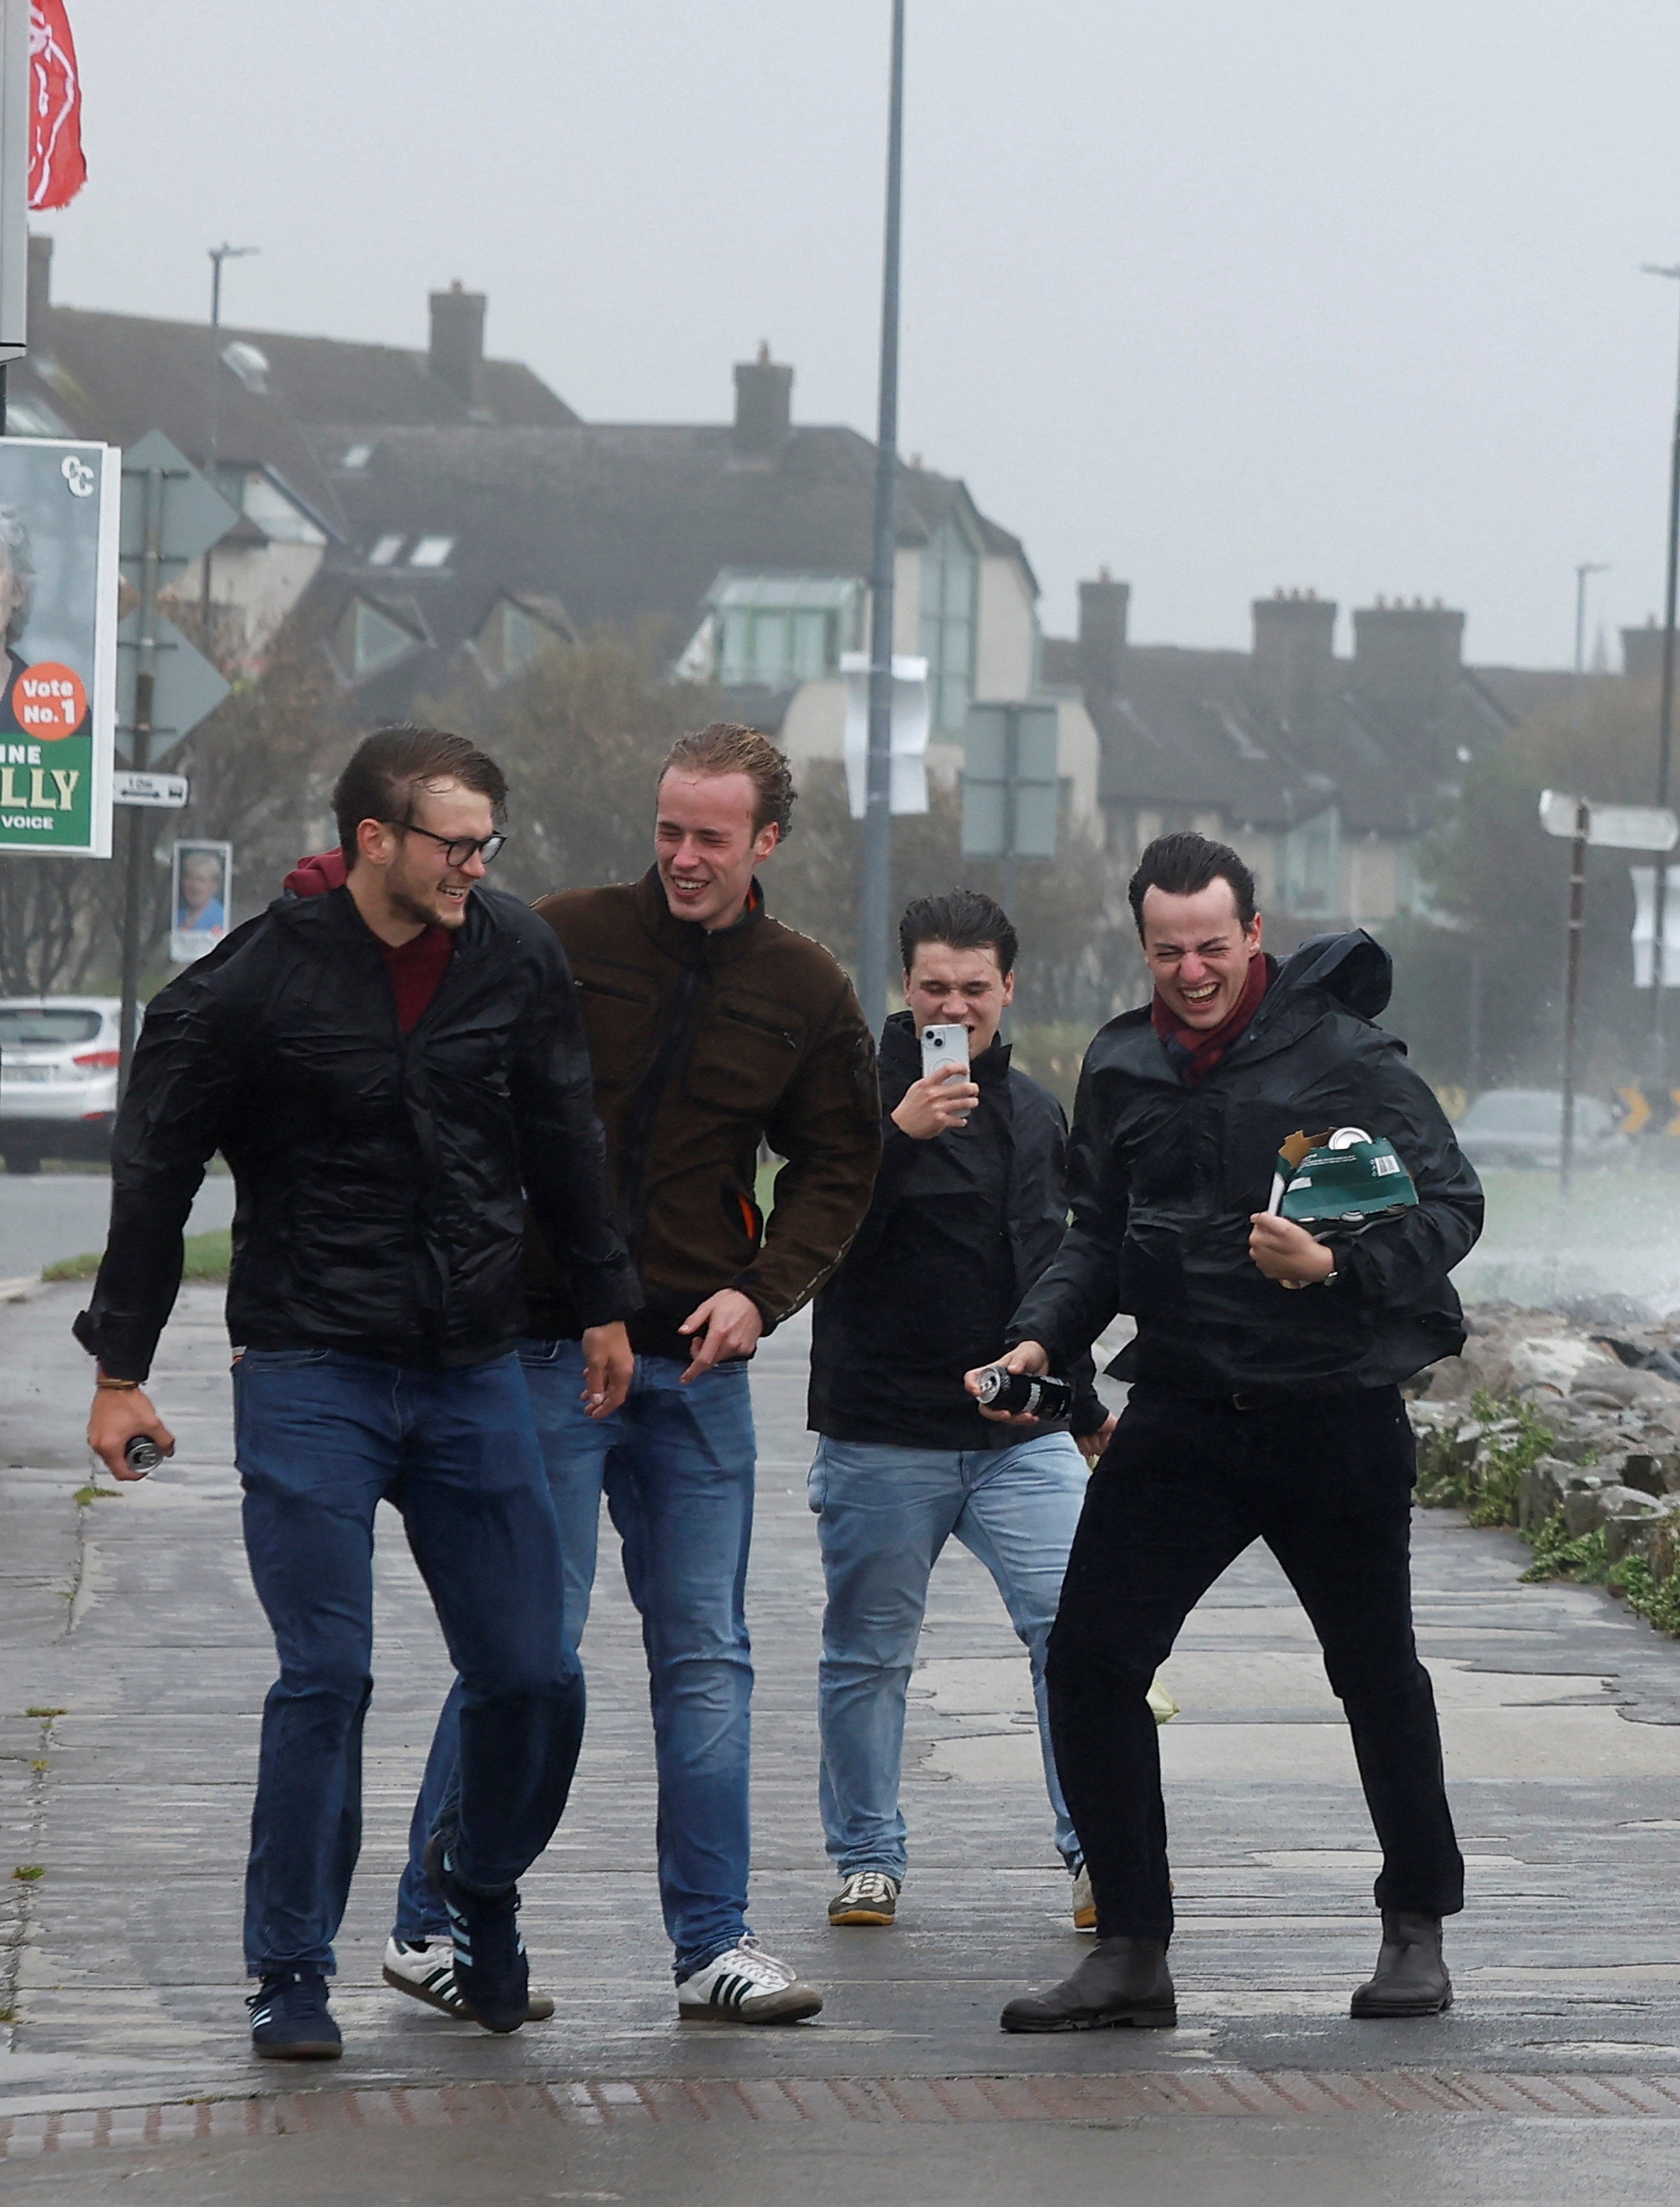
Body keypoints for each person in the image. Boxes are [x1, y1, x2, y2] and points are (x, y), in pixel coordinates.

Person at [76, 727, 643, 2063]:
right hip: (310, 1369)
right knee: (327, 1673)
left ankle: (479, 1885)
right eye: (456, 841)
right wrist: (120, 1368)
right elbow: (155, 1176)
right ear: (373, 841)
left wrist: (609, 1298)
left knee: (534, 1674)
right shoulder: (248, 988)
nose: (478, 864)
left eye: (488, 841)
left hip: (472, 1370)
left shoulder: (514, 953)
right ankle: (289, 1966)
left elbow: (567, 1132)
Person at [387, 723, 879, 2029]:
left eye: (711, 836)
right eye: (669, 829)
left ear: (766, 840)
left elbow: (840, 1165)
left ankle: (711, 1943)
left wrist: (763, 1291)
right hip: (544, 1351)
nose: (683, 857)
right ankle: (428, 1923)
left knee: (708, 1654)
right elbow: (444, 1082)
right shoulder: (559, 934)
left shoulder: (806, 986)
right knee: (523, 1647)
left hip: (699, 1364)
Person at [985, 834, 1483, 2035]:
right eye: (1169, 952)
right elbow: (1093, 1236)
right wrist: (1037, 1340)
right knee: (1092, 1662)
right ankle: (1132, 1953)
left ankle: (1415, 1929)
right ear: (1142, 944)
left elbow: (1455, 1204)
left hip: (1335, 1416)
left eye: (1214, 948)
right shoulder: (1118, 1063)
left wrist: (1337, 1262)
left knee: (1375, 1676)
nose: (1193, 972)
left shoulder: (1347, 1056)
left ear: (1254, 934)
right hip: (1188, 1413)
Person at [808, 888, 1101, 1932]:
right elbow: (813, 1246)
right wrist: (894, 1139)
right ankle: (868, 1858)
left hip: (1021, 1432)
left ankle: (1094, 1852)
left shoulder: (1030, 1109)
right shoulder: (851, 1096)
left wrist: (1088, 1409)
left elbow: (1061, 1263)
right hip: (882, 1430)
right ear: (905, 986)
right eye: (935, 986)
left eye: (975, 989)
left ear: (1007, 991)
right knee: (868, 1654)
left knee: (1079, 1632)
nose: (956, 1006)